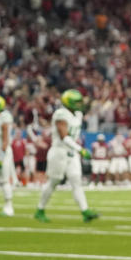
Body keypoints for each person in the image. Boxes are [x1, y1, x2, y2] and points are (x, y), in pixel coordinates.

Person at [34, 89, 99, 223]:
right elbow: (64, 137)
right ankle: (40, 210)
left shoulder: (78, 114)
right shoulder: (60, 114)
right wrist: (80, 149)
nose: (79, 104)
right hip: (59, 151)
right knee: (53, 182)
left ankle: (85, 210)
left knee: (76, 182)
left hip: (71, 153)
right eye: (76, 102)